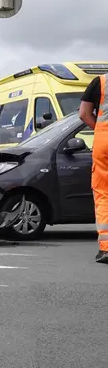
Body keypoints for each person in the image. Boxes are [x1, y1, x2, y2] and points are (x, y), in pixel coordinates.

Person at [79, 74, 108, 263]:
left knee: (104, 194)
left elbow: (83, 114)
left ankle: (106, 248)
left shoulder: (101, 81)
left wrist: (98, 129)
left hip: (104, 140)